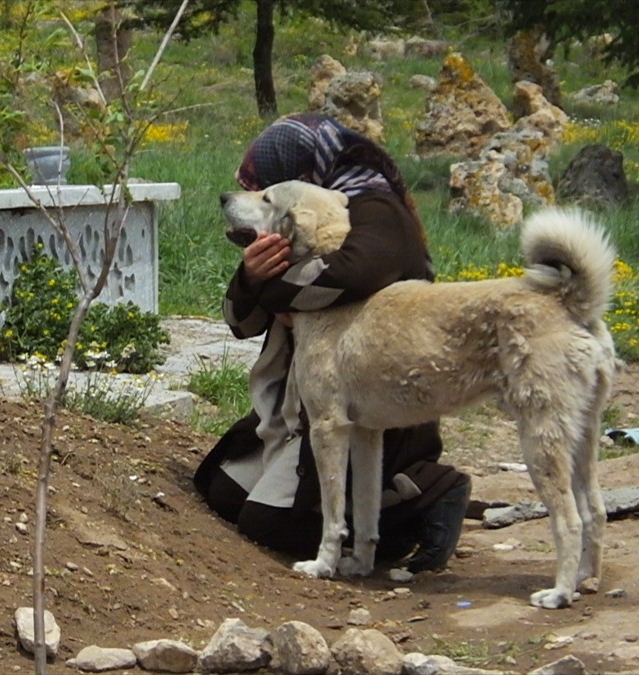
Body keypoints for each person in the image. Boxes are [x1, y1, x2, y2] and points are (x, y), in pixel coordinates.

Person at [193, 112, 471, 572]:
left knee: (267, 524)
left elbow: (354, 272)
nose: (258, 194)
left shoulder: (373, 207)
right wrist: (250, 276)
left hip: (376, 396)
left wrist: (274, 290)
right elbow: (241, 324)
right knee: (221, 492)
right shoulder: (292, 212)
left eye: (268, 185)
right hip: (306, 398)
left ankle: (428, 491)